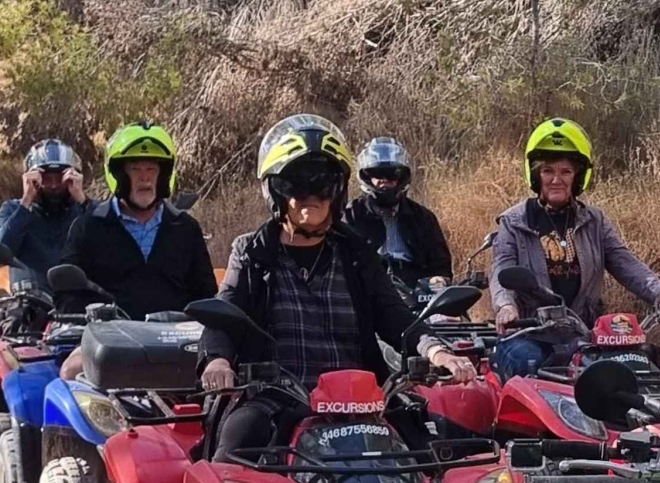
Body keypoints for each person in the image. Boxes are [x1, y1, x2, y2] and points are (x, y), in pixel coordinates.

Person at [198, 114, 476, 463]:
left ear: (338, 191)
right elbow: (226, 312)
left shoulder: (357, 253)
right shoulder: (251, 252)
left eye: (321, 185)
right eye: (295, 184)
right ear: (275, 190)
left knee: (429, 458)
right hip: (278, 396)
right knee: (233, 451)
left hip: (361, 400)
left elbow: (395, 317)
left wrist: (439, 352)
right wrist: (218, 360)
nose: (308, 197)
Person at [489, 117, 660, 379]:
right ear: (536, 174)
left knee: (643, 363)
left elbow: (625, 263)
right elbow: (502, 268)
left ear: (577, 177)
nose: (556, 179)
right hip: (530, 333)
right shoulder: (515, 222)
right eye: (548, 171)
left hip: (584, 333)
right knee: (529, 365)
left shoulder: (594, 221)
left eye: (565, 171)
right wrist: (506, 307)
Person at [58, 121, 217, 320]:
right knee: (76, 353)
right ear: (118, 174)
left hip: (176, 341)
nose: (145, 178)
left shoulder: (186, 228)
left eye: (151, 169)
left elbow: (206, 297)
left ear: (164, 175)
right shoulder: (88, 227)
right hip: (110, 342)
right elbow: (67, 294)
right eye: (135, 169)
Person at [344, 137, 454, 292]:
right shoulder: (350, 215)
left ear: (401, 177)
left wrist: (438, 281)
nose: (384, 181)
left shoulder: (423, 217)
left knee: (454, 314)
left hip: (417, 294)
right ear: (367, 177)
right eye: (378, 174)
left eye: (391, 175)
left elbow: (441, 265)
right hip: (367, 294)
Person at [0, 140, 90, 291]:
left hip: (81, 303)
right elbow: (1, 247)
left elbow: (111, 247)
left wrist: (82, 200)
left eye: (59, 179)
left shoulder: (85, 210)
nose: (53, 185)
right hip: (30, 303)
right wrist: (26, 201)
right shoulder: (12, 209)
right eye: (46, 179)